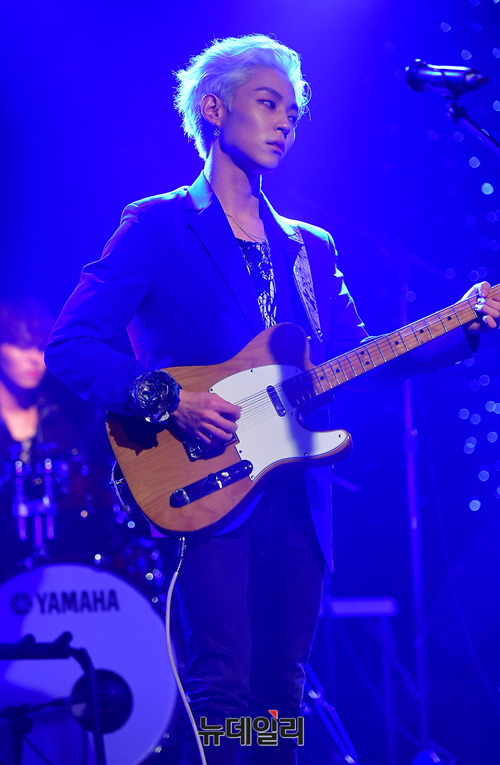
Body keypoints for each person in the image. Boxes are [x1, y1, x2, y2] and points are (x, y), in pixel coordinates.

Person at [45, 35, 499, 764]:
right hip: (202, 484)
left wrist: (460, 324)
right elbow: (71, 345)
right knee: (221, 686)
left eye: (293, 110)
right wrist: (169, 400)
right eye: (269, 102)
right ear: (214, 108)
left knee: (283, 691)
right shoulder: (156, 225)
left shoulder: (310, 248)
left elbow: (359, 360)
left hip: (295, 495)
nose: (286, 120)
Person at [0, 296, 114, 573]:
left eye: (40, 347)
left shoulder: (66, 419)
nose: (34, 358)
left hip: (63, 562)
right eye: (21, 345)